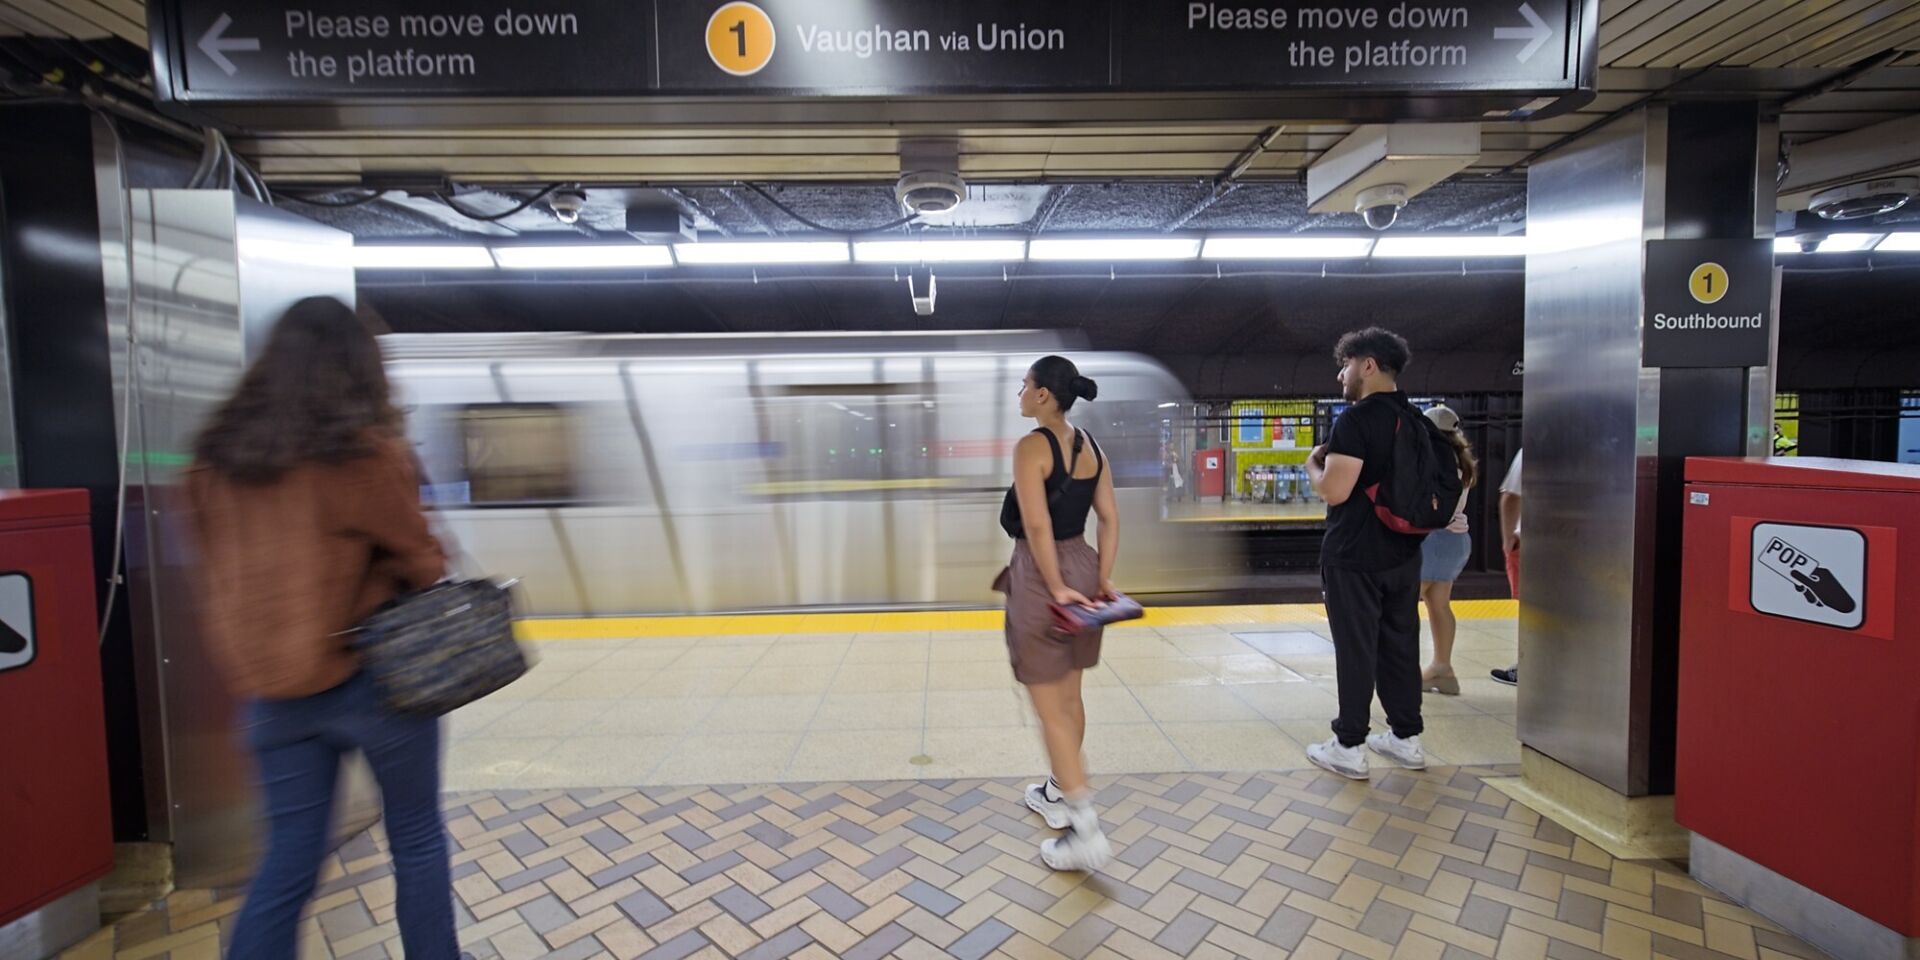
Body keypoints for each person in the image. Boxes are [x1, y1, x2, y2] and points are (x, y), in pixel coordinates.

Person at [186, 297, 463, 960]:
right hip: (374, 684)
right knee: (417, 838)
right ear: (357, 366)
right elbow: (426, 562)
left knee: (287, 861)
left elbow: (214, 564)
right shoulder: (358, 455)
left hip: (271, 696)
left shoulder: (214, 462)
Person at [999, 355, 1119, 871]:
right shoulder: (1091, 446)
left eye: (1024, 386)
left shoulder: (1031, 447)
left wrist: (1054, 587)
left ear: (1044, 394)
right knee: (1069, 698)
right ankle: (1055, 791)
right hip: (1084, 566)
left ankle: (1084, 831)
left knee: (1048, 708)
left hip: (1041, 574)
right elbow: (1110, 519)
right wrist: (1102, 578)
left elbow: (1038, 526)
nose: (1020, 395)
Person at [1303, 328, 1429, 780]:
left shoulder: (1356, 421)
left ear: (1368, 365)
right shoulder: (1417, 420)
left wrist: (1314, 464)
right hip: (1404, 553)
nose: (1342, 374)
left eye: (1346, 364)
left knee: (1355, 648)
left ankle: (1349, 744)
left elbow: (1335, 491)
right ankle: (1406, 738)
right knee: (1399, 643)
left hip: (1355, 556)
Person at [1417, 405, 1478, 696]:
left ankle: (1400, 673)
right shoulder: (1462, 461)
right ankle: (1443, 668)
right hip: (1457, 540)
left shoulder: (1434, 460)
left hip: (1433, 539)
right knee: (1438, 603)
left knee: (1401, 606)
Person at [1492, 449, 1523, 686]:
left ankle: (1529, 665)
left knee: (1533, 610)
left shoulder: (1532, 450)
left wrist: (1507, 539)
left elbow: (1511, 496)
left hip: (1533, 542)